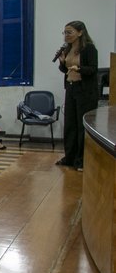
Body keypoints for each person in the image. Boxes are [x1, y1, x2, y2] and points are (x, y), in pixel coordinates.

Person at [56, 20, 99, 170]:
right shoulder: (67, 49)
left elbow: (93, 70)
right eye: (65, 32)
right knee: (70, 125)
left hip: (85, 91)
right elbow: (66, 70)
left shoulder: (89, 49)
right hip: (71, 89)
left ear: (80, 32)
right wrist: (62, 63)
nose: (66, 35)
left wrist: (79, 68)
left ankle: (81, 161)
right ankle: (70, 157)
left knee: (82, 127)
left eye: (69, 32)